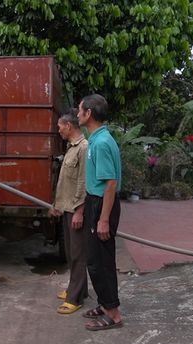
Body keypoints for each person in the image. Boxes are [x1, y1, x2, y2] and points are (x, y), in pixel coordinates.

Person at [77, 94, 123, 331]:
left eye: (79, 110)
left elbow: (111, 184)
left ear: (89, 114)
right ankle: (105, 304)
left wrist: (103, 219)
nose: (77, 115)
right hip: (95, 202)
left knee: (101, 262)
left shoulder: (102, 143)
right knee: (95, 260)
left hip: (102, 204)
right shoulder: (96, 139)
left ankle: (113, 314)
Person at [49, 109, 89, 315]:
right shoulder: (71, 147)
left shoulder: (83, 148)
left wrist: (80, 211)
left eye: (59, 126)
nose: (58, 130)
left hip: (76, 209)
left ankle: (76, 298)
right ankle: (77, 289)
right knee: (71, 253)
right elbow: (65, 183)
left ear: (68, 126)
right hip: (67, 207)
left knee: (78, 254)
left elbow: (83, 183)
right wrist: (57, 204)